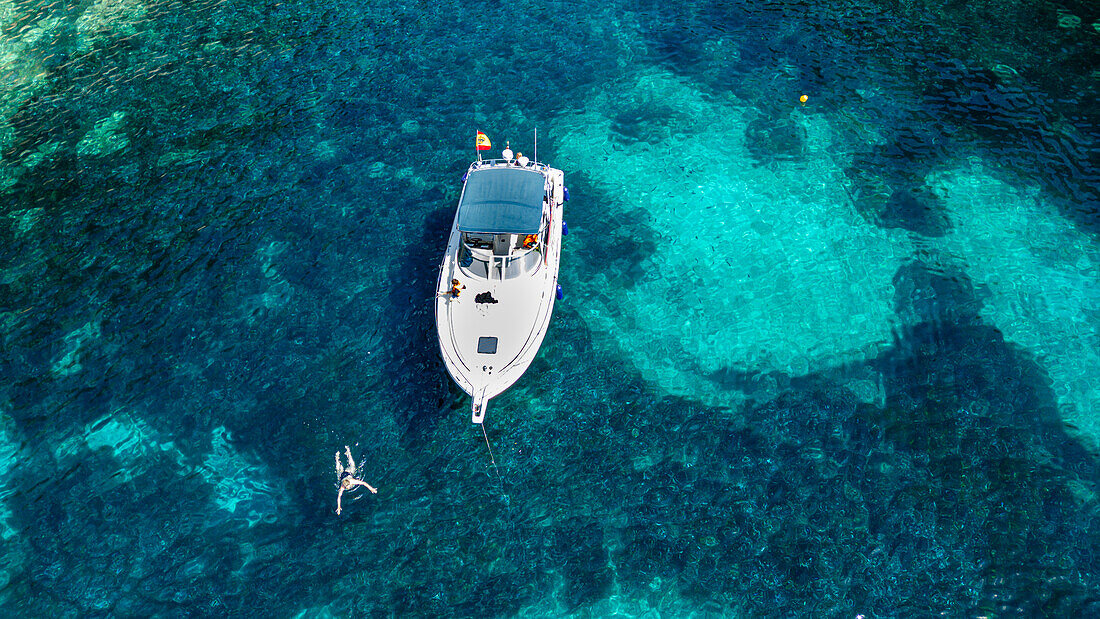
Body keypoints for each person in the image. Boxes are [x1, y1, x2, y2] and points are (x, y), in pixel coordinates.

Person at [335, 445, 377, 515]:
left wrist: (371, 488)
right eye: (347, 487)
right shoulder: (342, 486)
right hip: (343, 476)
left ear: (349, 483)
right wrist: (339, 507)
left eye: (348, 487)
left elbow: (363, 483)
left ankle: (348, 451)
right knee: (340, 467)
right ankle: (337, 457)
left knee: (351, 465)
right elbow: (339, 497)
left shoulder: (352, 481)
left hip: (348, 473)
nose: (347, 488)